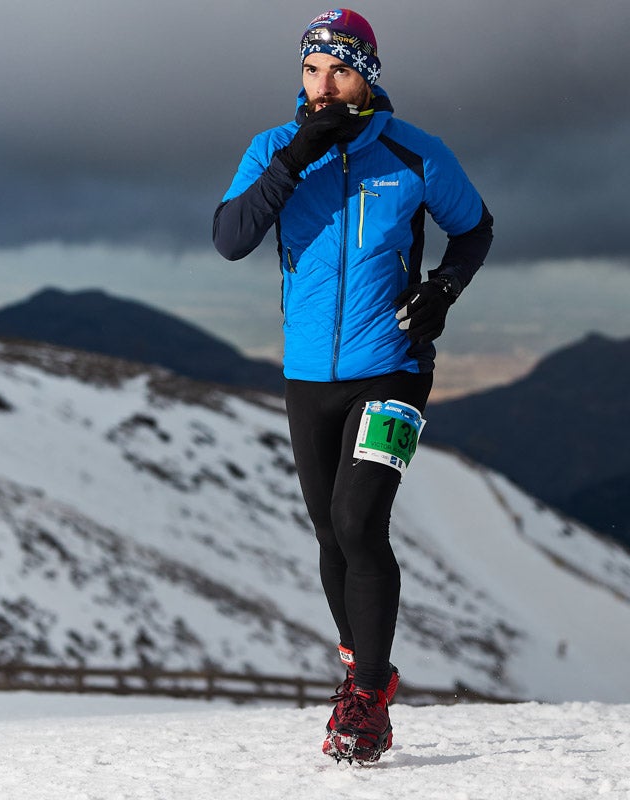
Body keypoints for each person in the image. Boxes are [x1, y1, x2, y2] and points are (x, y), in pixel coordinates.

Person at [212, 8, 493, 763]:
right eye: (312, 70)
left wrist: (443, 291)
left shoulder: (412, 152)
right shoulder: (274, 148)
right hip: (309, 376)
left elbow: (475, 228)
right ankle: (357, 671)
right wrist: (294, 158)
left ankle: (370, 698)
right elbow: (231, 237)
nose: (324, 85)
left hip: (395, 367)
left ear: (367, 73)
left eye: (339, 70)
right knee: (329, 532)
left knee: (359, 521)